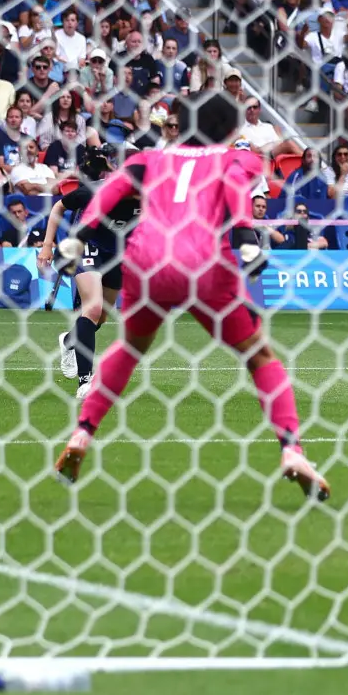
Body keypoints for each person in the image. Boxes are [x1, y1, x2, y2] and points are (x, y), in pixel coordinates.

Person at [51, 94, 327, 499]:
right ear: (231, 129)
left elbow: (111, 191)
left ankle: (81, 434)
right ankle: (291, 450)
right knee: (260, 357)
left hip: (147, 261)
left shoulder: (149, 159)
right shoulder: (237, 158)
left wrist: (81, 235)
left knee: (128, 349)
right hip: (203, 262)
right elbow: (235, 186)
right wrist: (246, 236)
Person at [38, 146, 138, 399]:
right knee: (91, 309)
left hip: (117, 253)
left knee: (101, 317)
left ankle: (69, 341)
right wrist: (48, 245)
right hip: (87, 246)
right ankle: (86, 381)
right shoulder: (97, 190)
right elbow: (58, 208)